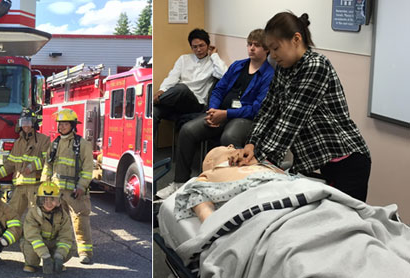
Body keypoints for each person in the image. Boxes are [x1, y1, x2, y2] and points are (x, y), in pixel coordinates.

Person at [230, 12, 371, 202]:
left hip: (347, 160)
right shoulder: (283, 68)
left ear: (296, 39)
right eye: (270, 50)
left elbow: (292, 118)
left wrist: (262, 158)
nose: (272, 55)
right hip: (321, 160)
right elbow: (269, 109)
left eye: (276, 48)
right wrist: (252, 143)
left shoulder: (316, 66)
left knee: (344, 225)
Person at [157, 29, 275, 200]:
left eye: (257, 46)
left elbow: (256, 108)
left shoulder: (269, 74)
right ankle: (179, 182)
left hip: (244, 118)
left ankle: (226, 187)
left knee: (230, 136)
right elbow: (219, 89)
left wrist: (226, 114)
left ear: (267, 49)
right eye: (249, 44)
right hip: (219, 112)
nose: (252, 48)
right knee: (188, 130)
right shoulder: (237, 66)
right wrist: (213, 110)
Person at [173, 145, 296, 223]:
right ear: (210, 162)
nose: (231, 147)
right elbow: (198, 196)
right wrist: (211, 224)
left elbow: (286, 176)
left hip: (285, 190)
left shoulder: (254, 162)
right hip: (259, 202)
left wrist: (254, 160)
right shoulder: (209, 175)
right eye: (226, 148)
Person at [41, 108, 95, 264]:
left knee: (80, 221)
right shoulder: (55, 144)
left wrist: (81, 186)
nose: (62, 126)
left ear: (73, 125)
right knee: (59, 221)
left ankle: (85, 252)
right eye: (60, 124)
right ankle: (62, 250)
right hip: (57, 191)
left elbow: (87, 168)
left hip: (75, 192)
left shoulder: (82, 144)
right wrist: (46, 185)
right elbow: (48, 166)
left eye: (65, 123)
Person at [153, 28, 228, 137]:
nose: (198, 50)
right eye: (195, 47)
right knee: (154, 112)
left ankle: (153, 102)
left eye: (201, 45)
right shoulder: (184, 59)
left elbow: (225, 75)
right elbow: (172, 77)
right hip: (176, 100)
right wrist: (161, 90)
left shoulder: (213, 62)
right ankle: (151, 152)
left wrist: (214, 55)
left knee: (182, 88)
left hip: (195, 103)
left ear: (208, 45)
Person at [0, 108, 50, 216]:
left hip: (35, 186)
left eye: (28, 122)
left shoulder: (43, 140)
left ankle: (33, 233)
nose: (26, 125)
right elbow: (10, 164)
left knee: (36, 217)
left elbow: (48, 160)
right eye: (23, 122)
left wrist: (32, 166)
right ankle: (14, 233)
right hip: (19, 186)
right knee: (11, 215)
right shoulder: (18, 143)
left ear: (34, 123)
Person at [21, 181, 74, 274]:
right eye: (44, 199)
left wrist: (59, 255)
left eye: (52, 199)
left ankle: (55, 262)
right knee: (28, 244)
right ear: (38, 200)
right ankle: (32, 264)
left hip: (53, 243)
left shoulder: (63, 215)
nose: (48, 203)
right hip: (39, 243)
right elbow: (33, 236)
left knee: (71, 247)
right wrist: (45, 256)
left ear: (58, 201)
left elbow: (66, 237)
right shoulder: (33, 213)